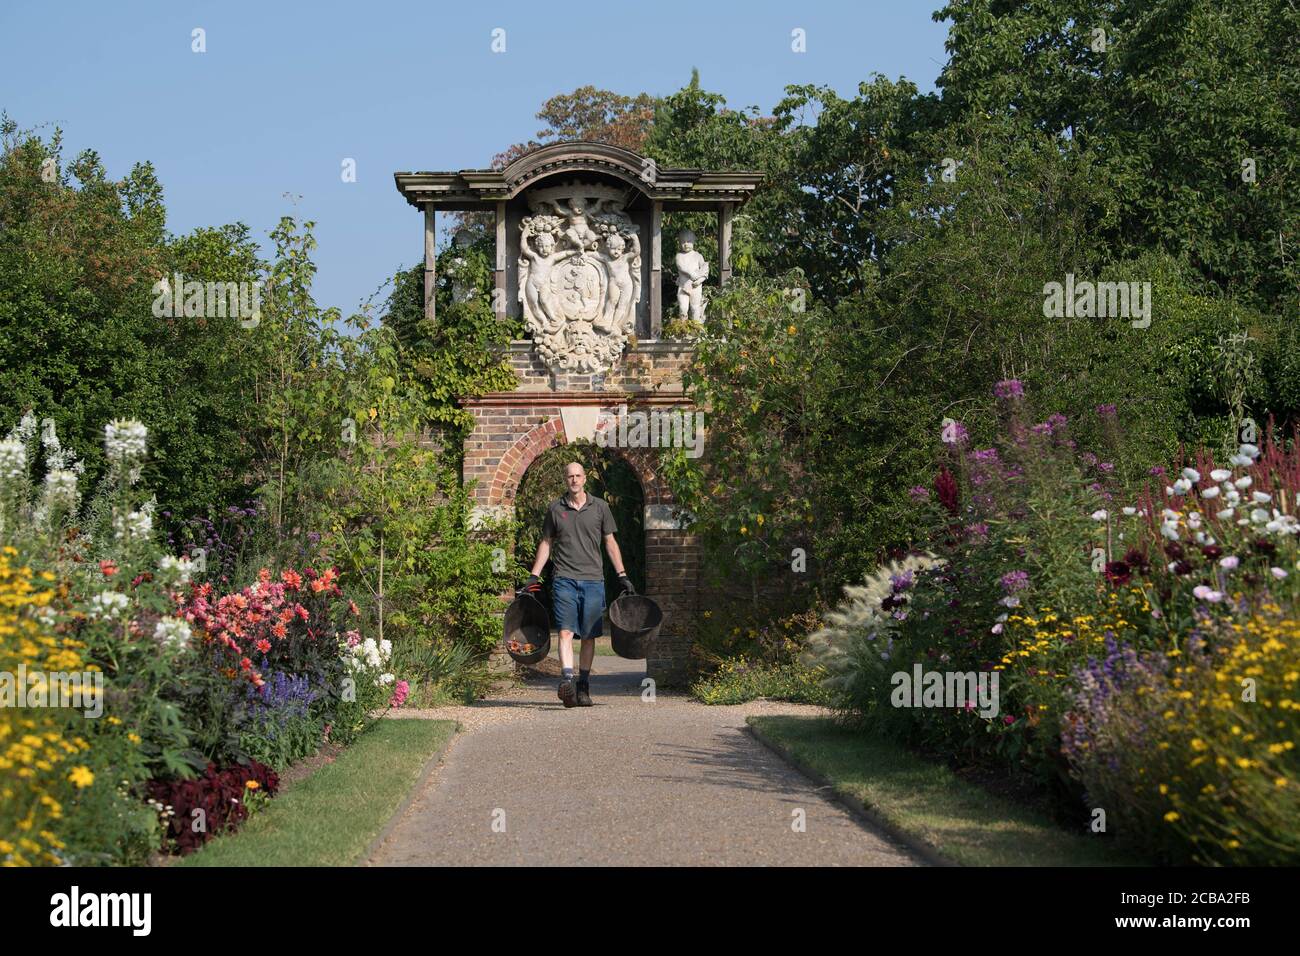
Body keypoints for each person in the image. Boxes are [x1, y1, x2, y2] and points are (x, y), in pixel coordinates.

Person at [518, 462, 634, 707]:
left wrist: (622, 574)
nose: (574, 480)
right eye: (569, 476)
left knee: (589, 636)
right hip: (564, 579)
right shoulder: (555, 509)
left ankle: (583, 686)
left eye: (578, 475)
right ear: (565, 479)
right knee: (565, 631)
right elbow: (546, 543)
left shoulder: (600, 507)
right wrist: (534, 576)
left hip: (593, 580)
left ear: (584, 479)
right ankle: (567, 682)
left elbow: (610, 542)